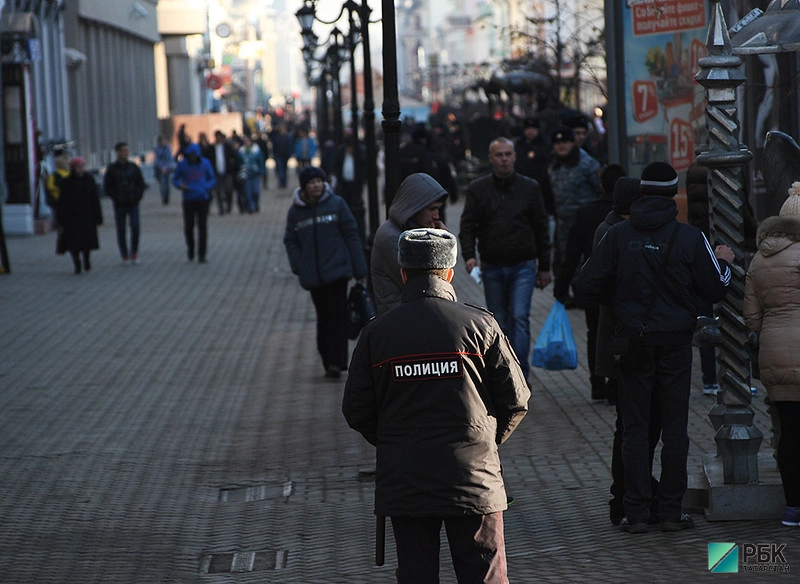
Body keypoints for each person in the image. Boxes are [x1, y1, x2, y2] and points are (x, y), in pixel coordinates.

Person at [343, 228, 530, 584]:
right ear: (449, 273)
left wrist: (395, 442)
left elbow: (356, 409)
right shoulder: (481, 325)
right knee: (484, 576)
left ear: (403, 273)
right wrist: (484, 442)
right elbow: (517, 399)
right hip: (473, 478)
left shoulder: (376, 334)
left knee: (417, 574)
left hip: (406, 479)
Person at [574, 161, 734, 533]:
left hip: (633, 343)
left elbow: (585, 284)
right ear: (673, 193)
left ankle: (636, 512)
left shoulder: (618, 235)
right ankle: (671, 510)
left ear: (643, 192)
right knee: (675, 429)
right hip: (675, 344)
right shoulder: (691, 238)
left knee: (635, 428)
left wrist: (621, 300)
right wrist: (724, 262)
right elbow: (716, 288)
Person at [459, 137, 552, 380]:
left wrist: (545, 266)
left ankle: (520, 375)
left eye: (508, 154)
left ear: (515, 156)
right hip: (492, 264)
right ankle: (505, 375)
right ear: (491, 158)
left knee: (519, 317)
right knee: (499, 321)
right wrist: (469, 256)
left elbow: (541, 227)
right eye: (499, 155)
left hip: (523, 263)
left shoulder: (529, 188)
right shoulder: (478, 189)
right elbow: (467, 225)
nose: (504, 159)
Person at [744, 181, 800, 528]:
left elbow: (751, 318)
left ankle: (793, 508)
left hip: (775, 354)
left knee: (788, 432)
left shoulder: (759, 259)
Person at [283, 166, 367, 379]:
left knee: (338, 315)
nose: (316, 186)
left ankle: (338, 361)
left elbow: (351, 235)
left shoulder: (336, 204)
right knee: (323, 317)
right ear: (304, 187)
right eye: (311, 183)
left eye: (319, 181)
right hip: (313, 274)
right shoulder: (296, 212)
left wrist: (359, 269)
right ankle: (328, 360)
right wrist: (298, 265)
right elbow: (290, 240)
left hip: (337, 271)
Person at [554, 163, 626, 398]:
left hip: (593, 285)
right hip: (621, 287)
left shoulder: (586, 213)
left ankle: (597, 383)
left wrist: (561, 286)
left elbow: (572, 254)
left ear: (602, 186)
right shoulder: (629, 217)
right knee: (619, 331)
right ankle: (615, 384)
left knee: (594, 331)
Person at [371, 173, 448, 315]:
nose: (437, 216)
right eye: (432, 209)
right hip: (401, 316)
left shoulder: (407, 231)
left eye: (438, 209)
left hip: (409, 313)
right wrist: (443, 245)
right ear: (415, 208)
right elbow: (428, 284)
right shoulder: (392, 238)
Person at [548, 125, 604, 263]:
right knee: (567, 261)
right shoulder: (554, 165)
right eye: (557, 143)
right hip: (563, 224)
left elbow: (600, 190)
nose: (561, 146)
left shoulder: (588, 164)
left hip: (586, 223)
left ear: (572, 142)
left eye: (565, 142)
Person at [103, 141, 147, 265]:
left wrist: (137, 195)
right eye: (123, 151)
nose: (125, 153)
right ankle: (124, 255)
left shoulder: (133, 167)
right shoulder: (112, 169)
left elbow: (141, 183)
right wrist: (116, 197)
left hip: (133, 202)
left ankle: (134, 252)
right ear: (117, 152)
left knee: (135, 227)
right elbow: (107, 187)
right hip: (120, 204)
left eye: (127, 150)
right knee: (121, 229)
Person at [57, 157, 103, 274]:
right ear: (73, 168)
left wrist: (98, 216)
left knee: (86, 242)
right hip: (71, 217)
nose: (80, 169)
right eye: (78, 167)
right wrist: (60, 219)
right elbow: (62, 202)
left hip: (87, 216)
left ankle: (86, 260)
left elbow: (95, 199)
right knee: (73, 243)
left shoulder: (89, 180)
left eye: (82, 166)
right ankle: (77, 264)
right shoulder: (66, 182)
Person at [172, 143, 216, 263]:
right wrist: (180, 185)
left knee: (202, 227)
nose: (192, 158)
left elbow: (212, 178)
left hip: (202, 198)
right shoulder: (182, 164)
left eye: (194, 155)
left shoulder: (205, 163)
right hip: (189, 199)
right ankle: (191, 249)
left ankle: (202, 254)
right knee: (189, 226)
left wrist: (205, 187)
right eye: (190, 155)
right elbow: (175, 179)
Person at [332, 132, 367, 244]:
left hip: (355, 187)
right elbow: (336, 166)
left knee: (357, 210)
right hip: (344, 186)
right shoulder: (341, 151)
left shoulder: (360, 152)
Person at [514, 116, 554, 215]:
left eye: (533, 128)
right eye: (528, 128)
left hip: (541, 187)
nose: (530, 131)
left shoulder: (545, 145)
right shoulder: (519, 145)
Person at [209, 130, 239, 215]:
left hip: (227, 172)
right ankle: (221, 208)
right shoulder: (212, 148)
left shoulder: (227, 147)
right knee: (218, 191)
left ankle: (228, 205)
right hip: (216, 173)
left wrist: (232, 164)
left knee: (228, 189)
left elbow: (234, 158)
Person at [238, 136, 265, 213]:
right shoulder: (241, 152)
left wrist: (262, 172)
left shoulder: (256, 151)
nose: (247, 143)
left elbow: (261, 162)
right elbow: (239, 163)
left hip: (255, 174)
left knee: (256, 191)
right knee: (248, 192)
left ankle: (256, 203)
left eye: (248, 141)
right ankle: (250, 207)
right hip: (246, 174)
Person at [153, 135, 174, 205]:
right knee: (162, 184)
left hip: (167, 168)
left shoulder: (167, 148)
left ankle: (166, 198)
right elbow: (157, 160)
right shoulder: (157, 149)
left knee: (167, 184)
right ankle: (163, 198)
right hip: (160, 169)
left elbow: (170, 159)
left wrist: (167, 167)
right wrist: (162, 167)